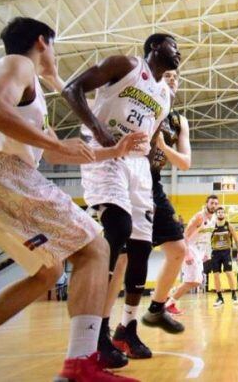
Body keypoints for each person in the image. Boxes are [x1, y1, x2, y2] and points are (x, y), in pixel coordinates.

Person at [0, 17, 143, 381]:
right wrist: (53, 143)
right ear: (43, 42)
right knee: (95, 248)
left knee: (47, 270)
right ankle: (80, 365)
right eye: (53, 46)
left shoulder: (32, 93)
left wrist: (114, 149)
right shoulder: (17, 64)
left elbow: (57, 155)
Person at [63, 32, 179, 364]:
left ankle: (126, 329)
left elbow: (153, 134)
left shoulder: (165, 95)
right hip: (106, 152)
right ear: (156, 47)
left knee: (142, 247)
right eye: (174, 47)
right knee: (118, 228)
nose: (179, 54)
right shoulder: (125, 65)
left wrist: (154, 162)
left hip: (138, 165)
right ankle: (95, 333)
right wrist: (99, 131)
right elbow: (72, 89)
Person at [141, 69, 190, 335]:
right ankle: (103, 327)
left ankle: (156, 308)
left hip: (155, 182)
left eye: (176, 76)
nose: (172, 79)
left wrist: (162, 145)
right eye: (167, 75)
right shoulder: (144, 108)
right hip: (132, 177)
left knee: (178, 249)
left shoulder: (179, 120)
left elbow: (185, 163)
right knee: (126, 257)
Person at [165, 196, 218, 314]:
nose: (214, 205)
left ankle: (169, 298)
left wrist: (206, 252)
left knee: (196, 281)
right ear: (206, 204)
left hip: (199, 252)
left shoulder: (214, 219)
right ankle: (169, 303)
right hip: (190, 249)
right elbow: (185, 235)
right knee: (195, 280)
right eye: (212, 203)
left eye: (216, 203)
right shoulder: (199, 217)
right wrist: (187, 254)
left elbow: (208, 237)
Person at [210, 207, 238, 307]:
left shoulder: (229, 225)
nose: (220, 214)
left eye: (222, 212)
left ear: (224, 214)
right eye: (218, 212)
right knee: (215, 275)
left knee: (229, 273)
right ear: (216, 214)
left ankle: (234, 295)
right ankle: (220, 298)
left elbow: (237, 240)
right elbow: (207, 240)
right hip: (215, 253)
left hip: (226, 252)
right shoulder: (212, 227)